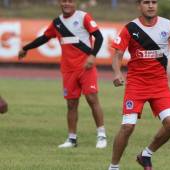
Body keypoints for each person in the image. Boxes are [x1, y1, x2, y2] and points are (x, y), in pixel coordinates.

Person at [108, 0, 170, 170]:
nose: (150, 5)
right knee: (127, 127)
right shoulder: (130, 28)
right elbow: (118, 54)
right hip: (136, 85)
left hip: (159, 85)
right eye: (146, 2)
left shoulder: (168, 26)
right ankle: (113, 167)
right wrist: (117, 73)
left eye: (154, 2)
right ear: (139, 5)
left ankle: (146, 155)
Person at [18, 0, 107, 149]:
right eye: (64, 1)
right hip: (68, 70)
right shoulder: (57, 23)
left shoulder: (84, 17)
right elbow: (44, 38)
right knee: (71, 104)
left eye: (70, 1)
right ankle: (72, 139)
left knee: (92, 99)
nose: (67, 4)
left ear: (75, 3)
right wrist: (26, 48)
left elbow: (99, 37)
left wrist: (92, 56)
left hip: (86, 67)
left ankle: (101, 135)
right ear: (60, 3)